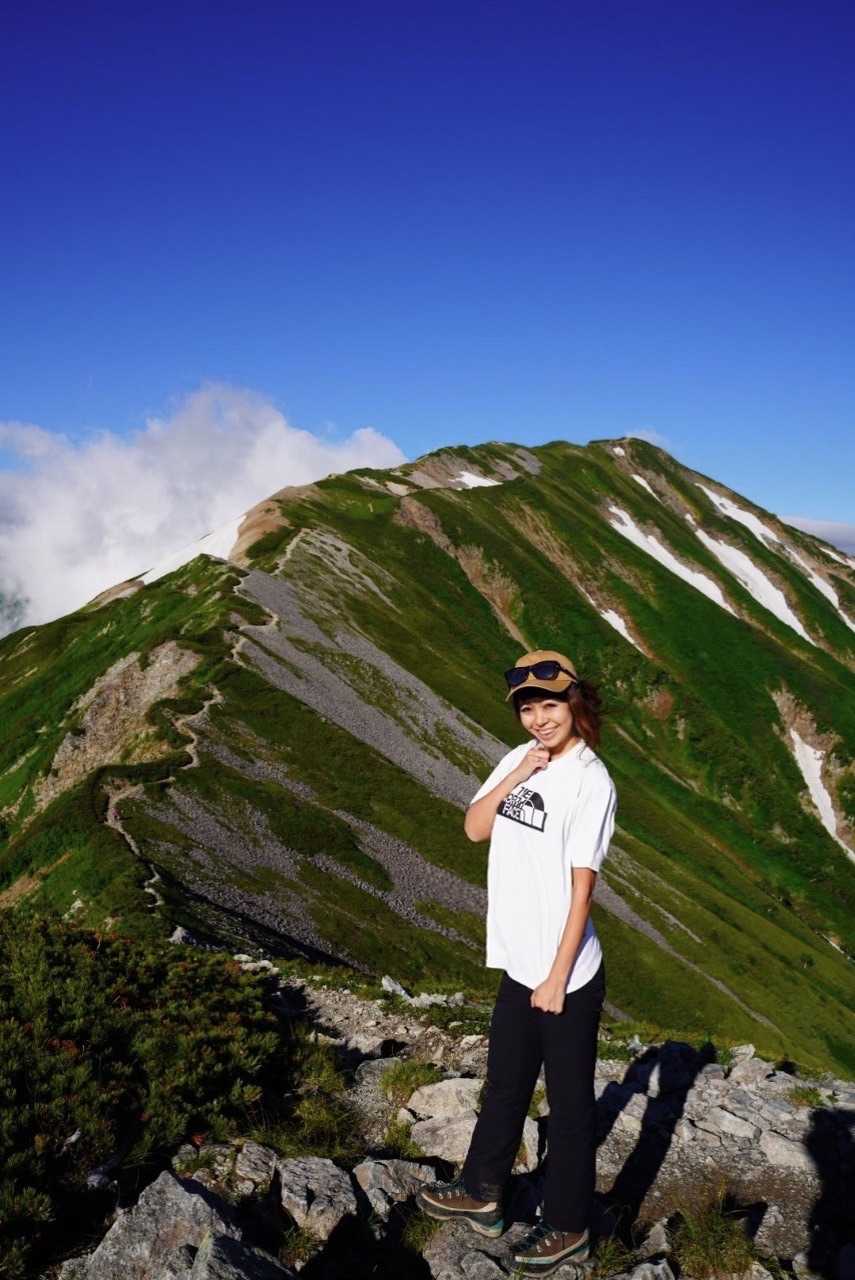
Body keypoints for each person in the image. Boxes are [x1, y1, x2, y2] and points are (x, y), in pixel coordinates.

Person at [416, 648, 618, 1277]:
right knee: (504, 1085)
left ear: (574, 704)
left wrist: (558, 977)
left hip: (566, 976)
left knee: (570, 1105)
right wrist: (518, 773)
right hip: (519, 963)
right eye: (528, 708)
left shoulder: (591, 782)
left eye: (549, 705)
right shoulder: (519, 758)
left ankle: (568, 1226)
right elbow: (475, 827)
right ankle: (482, 1195)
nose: (539, 719)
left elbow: (583, 890)